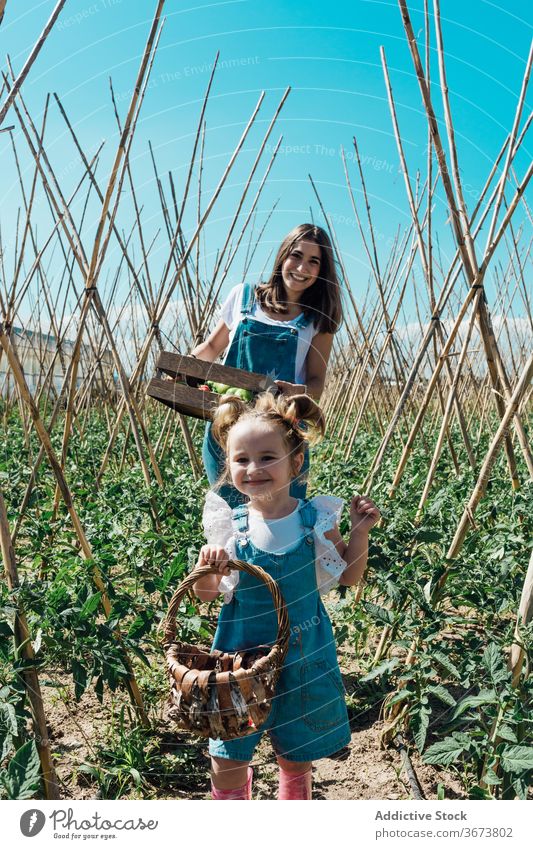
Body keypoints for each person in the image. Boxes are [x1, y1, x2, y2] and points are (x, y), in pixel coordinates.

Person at [191, 391, 381, 800]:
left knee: (296, 757)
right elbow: (207, 596)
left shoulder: (315, 518)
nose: (253, 468)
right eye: (241, 459)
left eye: (266, 457)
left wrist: (359, 531)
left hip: (303, 655)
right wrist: (208, 568)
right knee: (227, 756)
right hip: (240, 660)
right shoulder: (230, 526)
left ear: (295, 462)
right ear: (228, 466)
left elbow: (348, 578)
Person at [190, 223, 343, 508]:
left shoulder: (317, 320)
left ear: (322, 270)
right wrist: (182, 371)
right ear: (283, 256)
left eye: (314, 261)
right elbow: (211, 348)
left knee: (284, 518)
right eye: (296, 256)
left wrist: (300, 391)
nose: (302, 267)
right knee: (231, 520)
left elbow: (316, 381)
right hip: (227, 428)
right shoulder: (244, 297)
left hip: (283, 433)